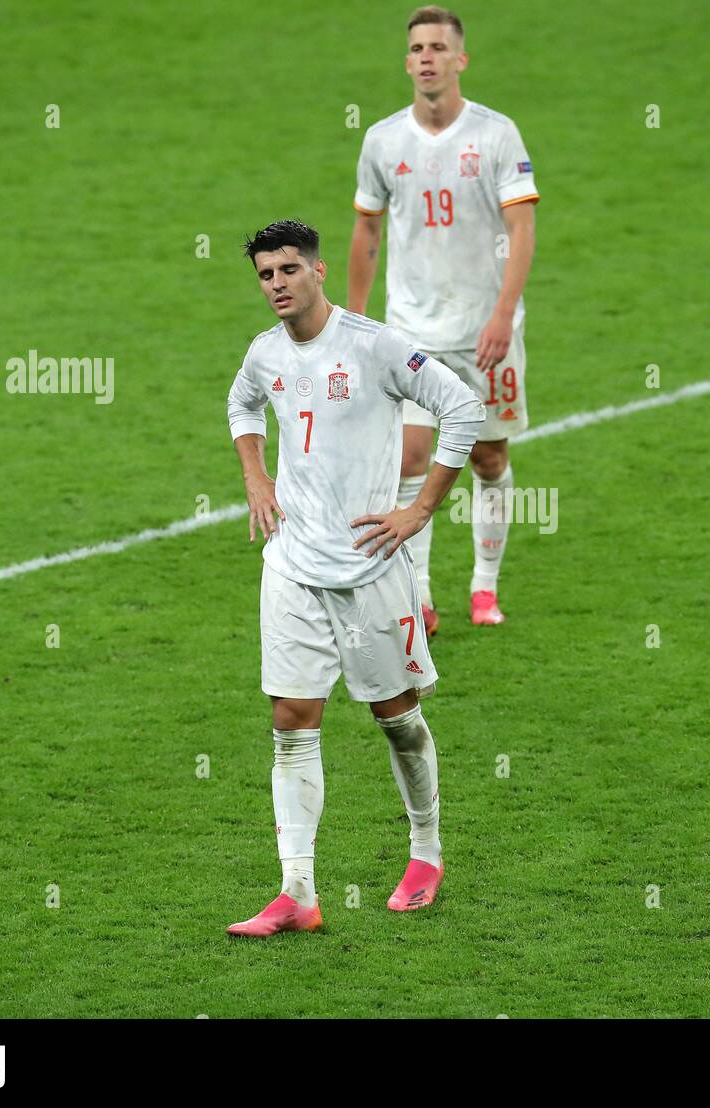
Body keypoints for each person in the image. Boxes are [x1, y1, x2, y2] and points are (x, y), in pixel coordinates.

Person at [225, 219, 484, 935]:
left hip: (369, 569)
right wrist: (255, 476)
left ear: (318, 271)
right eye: (265, 276)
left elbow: (461, 405)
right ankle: (298, 893)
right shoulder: (265, 354)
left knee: (396, 720)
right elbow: (241, 403)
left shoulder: (374, 346)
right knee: (289, 721)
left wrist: (420, 509)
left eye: (287, 270)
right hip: (292, 567)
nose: (276, 284)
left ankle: (426, 852)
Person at [348, 4, 538, 630]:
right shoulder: (382, 140)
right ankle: (420, 597)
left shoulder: (496, 135)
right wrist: (351, 324)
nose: (426, 57)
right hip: (412, 332)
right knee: (409, 460)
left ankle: (484, 589)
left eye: (438, 47)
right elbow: (367, 233)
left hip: (486, 333)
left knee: (487, 459)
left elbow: (522, 225)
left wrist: (502, 315)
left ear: (461, 59)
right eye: (417, 48)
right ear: (407, 62)